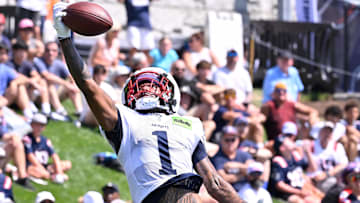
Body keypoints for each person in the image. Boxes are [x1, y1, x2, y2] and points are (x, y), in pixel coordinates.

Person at [53, 3, 243, 203]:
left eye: (150, 87)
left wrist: (65, 38)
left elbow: (86, 83)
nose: (148, 92)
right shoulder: (178, 124)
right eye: (144, 87)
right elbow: (214, 184)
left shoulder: (130, 121)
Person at [33, 41, 83, 121]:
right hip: (41, 96)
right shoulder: (38, 61)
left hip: (56, 94)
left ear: (57, 53)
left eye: (54, 51)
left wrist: (73, 85)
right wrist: (66, 84)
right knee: (49, 84)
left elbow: (70, 76)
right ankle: (59, 110)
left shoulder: (58, 63)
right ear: (44, 51)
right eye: (48, 50)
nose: (50, 53)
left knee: (72, 86)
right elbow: (47, 76)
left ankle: (80, 111)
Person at [268, 136, 321, 203]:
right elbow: (279, 185)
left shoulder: (295, 156)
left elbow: (313, 169)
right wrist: (299, 192)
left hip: (302, 189)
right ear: (282, 148)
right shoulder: (278, 162)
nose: (292, 141)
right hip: (288, 193)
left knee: (322, 198)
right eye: (288, 141)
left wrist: (308, 152)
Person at [22, 113, 72, 184]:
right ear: (32, 125)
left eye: (42, 125)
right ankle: (50, 175)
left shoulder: (45, 140)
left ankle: (54, 174)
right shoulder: (27, 139)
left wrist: (59, 172)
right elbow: (30, 156)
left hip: (44, 165)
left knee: (67, 164)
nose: (39, 128)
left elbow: (54, 156)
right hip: (32, 165)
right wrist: (42, 170)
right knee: (38, 172)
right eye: (37, 125)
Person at [7, 41, 51, 116]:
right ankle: (29, 114)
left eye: (24, 51)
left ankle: (46, 110)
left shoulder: (26, 63)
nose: (23, 54)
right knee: (21, 86)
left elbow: (37, 76)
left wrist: (33, 82)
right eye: (20, 51)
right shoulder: (9, 63)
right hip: (11, 95)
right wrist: (32, 82)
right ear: (14, 51)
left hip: (26, 92)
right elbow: (17, 76)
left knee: (42, 81)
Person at [211, 126, 253, 192]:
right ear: (221, 140)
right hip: (228, 193)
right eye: (227, 140)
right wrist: (243, 175)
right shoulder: (217, 158)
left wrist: (236, 165)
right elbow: (222, 179)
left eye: (233, 140)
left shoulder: (244, 155)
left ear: (238, 140)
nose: (230, 143)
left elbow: (252, 170)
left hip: (247, 190)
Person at [311, 121, 348, 193]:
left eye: (329, 131)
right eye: (325, 131)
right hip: (312, 178)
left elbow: (343, 164)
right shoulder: (311, 145)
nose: (327, 134)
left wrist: (327, 174)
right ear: (320, 132)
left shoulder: (337, 146)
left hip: (329, 178)